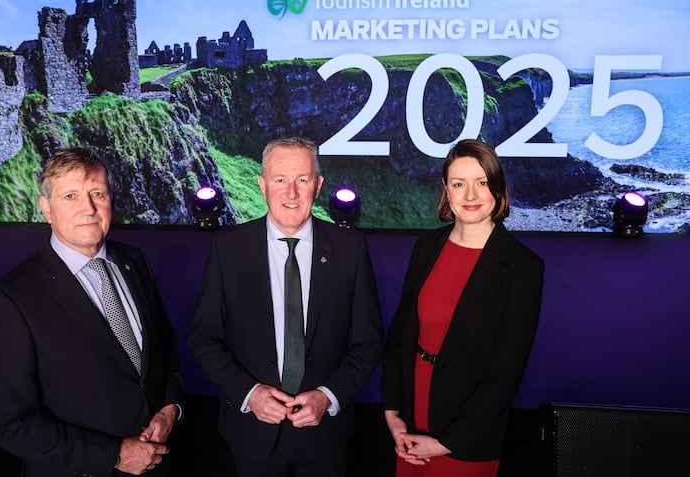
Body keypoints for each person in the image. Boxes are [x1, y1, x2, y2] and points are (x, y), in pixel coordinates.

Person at [0, 147, 184, 476]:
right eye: (70, 196)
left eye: (97, 193)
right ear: (46, 209)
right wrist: (115, 455)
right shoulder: (11, 300)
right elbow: (10, 424)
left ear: (110, 200)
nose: (87, 208)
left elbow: (165, 351)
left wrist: (171, 408)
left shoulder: (135, 262)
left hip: (160, 464)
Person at [188, 136, 385, 477]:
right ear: (263, 185)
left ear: (318, 185)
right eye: (280, 180)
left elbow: (369, 341)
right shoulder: (228, 248)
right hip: (251, 431)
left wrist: (328, 395)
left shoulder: (350, 248)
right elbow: (204, 338)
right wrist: (249, 394)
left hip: (325, 433)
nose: (291, 193)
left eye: (302, 180)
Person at [382, 139, 544, 477]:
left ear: (498, 189)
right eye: (459, 184)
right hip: (410, 426)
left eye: (482, 183)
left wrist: (446, 443)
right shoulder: (427, 246)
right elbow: (400, 335)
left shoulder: (522, 267)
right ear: (446, 190)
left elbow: (505, 374)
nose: (470, 196)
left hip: (468, 438)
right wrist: (393, 413)